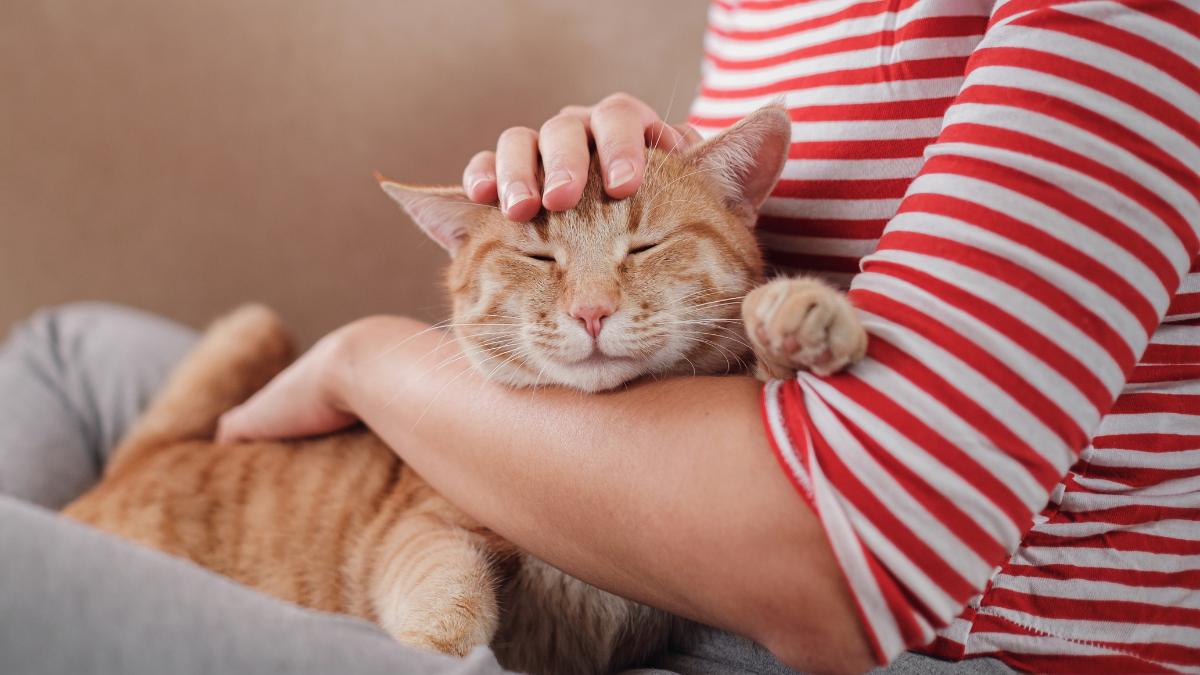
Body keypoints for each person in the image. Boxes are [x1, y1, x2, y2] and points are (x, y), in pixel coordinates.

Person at [2, 1, 1197, 673]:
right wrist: (625, 170)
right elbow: (725, 235)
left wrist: (373, 361)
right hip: (687, 428)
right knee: (75, 352)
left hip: (894, 627)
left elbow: (840, 558)